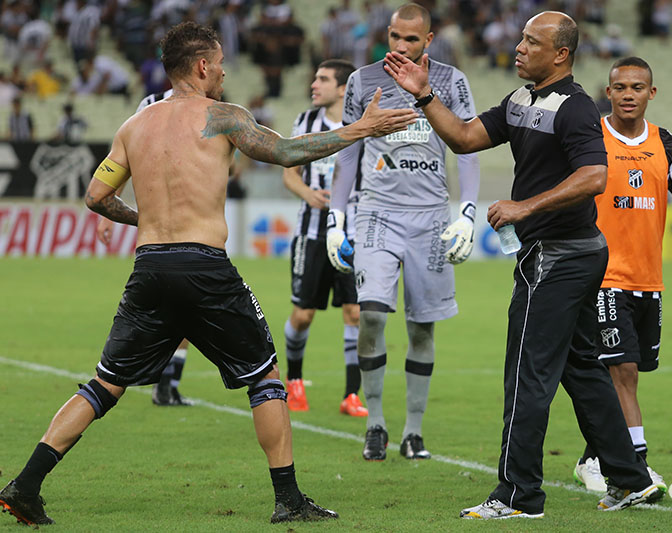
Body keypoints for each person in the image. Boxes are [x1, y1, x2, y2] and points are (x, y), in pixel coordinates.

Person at [0, 21, 416, 526]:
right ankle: (288, 499)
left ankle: (25, 485)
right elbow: (285, 152)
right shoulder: (222, 117)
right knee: (264, 377)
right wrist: (360, 129)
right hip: (203, 267)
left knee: (105, 384)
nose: (222, 72)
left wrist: (145, 219)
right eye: (219, 64)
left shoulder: (134, 126)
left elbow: (95, 197)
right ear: (201, 66)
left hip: (150, 268)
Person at [385, 10, 660, 519]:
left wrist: (523, 207)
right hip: (571, 253)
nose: (519, 48)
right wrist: (424, 95)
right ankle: (630, 478)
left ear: (561, 55)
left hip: (558, 257)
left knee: (526, 374)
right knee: (580, 368)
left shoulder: (575, 107)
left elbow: (595, 176)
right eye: (521, 39)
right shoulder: (521, 100)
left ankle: (518, 494)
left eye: (532, 42)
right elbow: (466, 138)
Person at [327, 3, 480, 461]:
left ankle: (413, 431)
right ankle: (374, 422)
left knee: (421, 328)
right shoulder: (362, 81)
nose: (400, 46)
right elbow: (347, 150)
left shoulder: (451, 83)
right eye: (395, 36)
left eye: (411, 39)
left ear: (428, 40)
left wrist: (467, 212)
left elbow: (468, 146)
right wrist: (336, 220)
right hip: (375, 212)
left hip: (431, 216)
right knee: (371, 314)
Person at [573, 56, 672, 495]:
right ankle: (635, 468)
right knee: (623, 372)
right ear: (608, 91)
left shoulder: (668, 143)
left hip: (648, 279)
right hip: (601, 274)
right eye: (619, 87)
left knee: (629, 370)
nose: (627, 95)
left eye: (637, 87)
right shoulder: (591, 138)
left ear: (650, 93)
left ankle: (592, 458)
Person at [281, 59, 367, 417]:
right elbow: (289, 173)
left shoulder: (363, 124)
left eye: (323, 79)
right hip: (312, 233)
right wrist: (308, 194)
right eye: (314, 77)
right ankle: (294, 383)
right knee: (303, 315)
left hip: (353, 233)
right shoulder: (306, 122)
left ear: (344, 88)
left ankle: (352, 395)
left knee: (355, 312)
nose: (314, 84)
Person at [96, 87, 192, 407]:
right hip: (162, 225)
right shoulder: (150, 105)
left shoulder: (212, 105)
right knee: (173, 307)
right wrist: (109, 208)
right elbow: (123, 158)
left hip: (194, 223)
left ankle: (166, 383)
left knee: (184, 309)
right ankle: (141, 378)